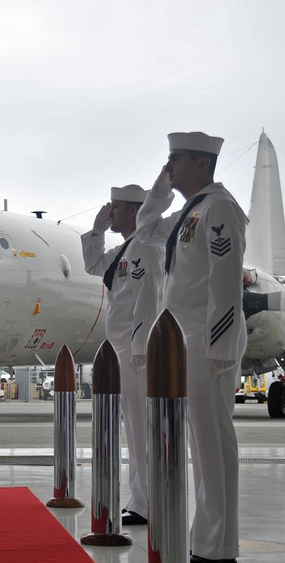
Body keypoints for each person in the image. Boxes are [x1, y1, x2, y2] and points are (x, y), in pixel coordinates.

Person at [136, 132, 247, 563]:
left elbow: (225, 278)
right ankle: (206, 539)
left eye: (176, 160)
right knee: (199, 446)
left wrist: (220, 345)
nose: (170, 166)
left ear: (203, 164)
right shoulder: (189, 213)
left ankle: (217, 546)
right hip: (185, 345)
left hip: (206, 343)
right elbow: (145, 228)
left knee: (212, 445)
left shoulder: (219, 208)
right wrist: (161, 188)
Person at [80, 184, 171, 527]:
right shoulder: (127, 248)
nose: (111, 212)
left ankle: (146, 502)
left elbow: (149, 300)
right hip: (122, 348)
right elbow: (92, 264)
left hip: (136, 351)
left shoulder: (146, 248)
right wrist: (98, 229)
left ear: (134, 210)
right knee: (132, 428)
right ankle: (141, 498)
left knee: (139, 428)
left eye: (115, 208)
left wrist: (139, 347)